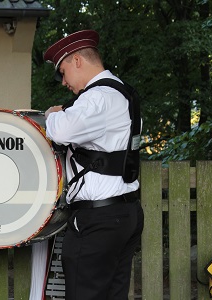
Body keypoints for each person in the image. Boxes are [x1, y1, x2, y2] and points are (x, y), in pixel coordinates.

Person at [43, 30, 144, 300]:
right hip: (126, 213)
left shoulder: (98, 97)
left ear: (77, 60)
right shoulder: (124, 93)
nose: (64, 82)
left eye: (63, 72)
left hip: (99, 221)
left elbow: (61, 132)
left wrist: (52, 114)